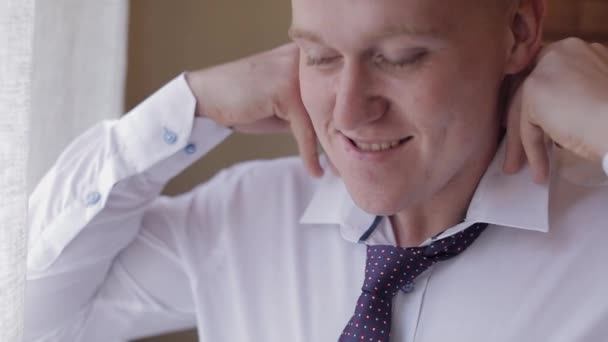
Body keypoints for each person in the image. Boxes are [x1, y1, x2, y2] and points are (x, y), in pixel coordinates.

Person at [25, 0, 608, 341]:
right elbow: (26, 316)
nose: (350, 110)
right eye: (319, 56)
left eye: (399, 58)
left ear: (518, 33)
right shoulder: (244, 216)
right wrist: (189, 104)